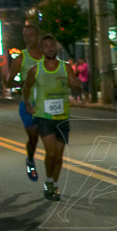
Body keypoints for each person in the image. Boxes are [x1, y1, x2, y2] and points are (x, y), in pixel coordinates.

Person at [22, 34, 82, 202]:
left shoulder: (66, 67)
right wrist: (27, 102)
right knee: (51, 152)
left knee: (59, 155)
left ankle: (54, 184)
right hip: (44, 116)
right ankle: (48, 182)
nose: (50, 48)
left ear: (56, 48)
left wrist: (77, 87)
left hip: (62, 116)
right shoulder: (36, 69)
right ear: (42, 50)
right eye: (46, 46)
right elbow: (26, 87)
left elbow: (74, 85)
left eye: (52, 45)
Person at [6, 23, 44, 181]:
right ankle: (30, 159)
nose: (28, 38)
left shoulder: (47, 55)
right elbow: (8, 82)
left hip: (46, 105)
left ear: (38, 35)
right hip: (28, 104)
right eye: (25, 35)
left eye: (31, 34)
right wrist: (22, 83)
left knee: (51, 141)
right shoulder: (21, 58)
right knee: (34, 135)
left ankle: (51, 179)